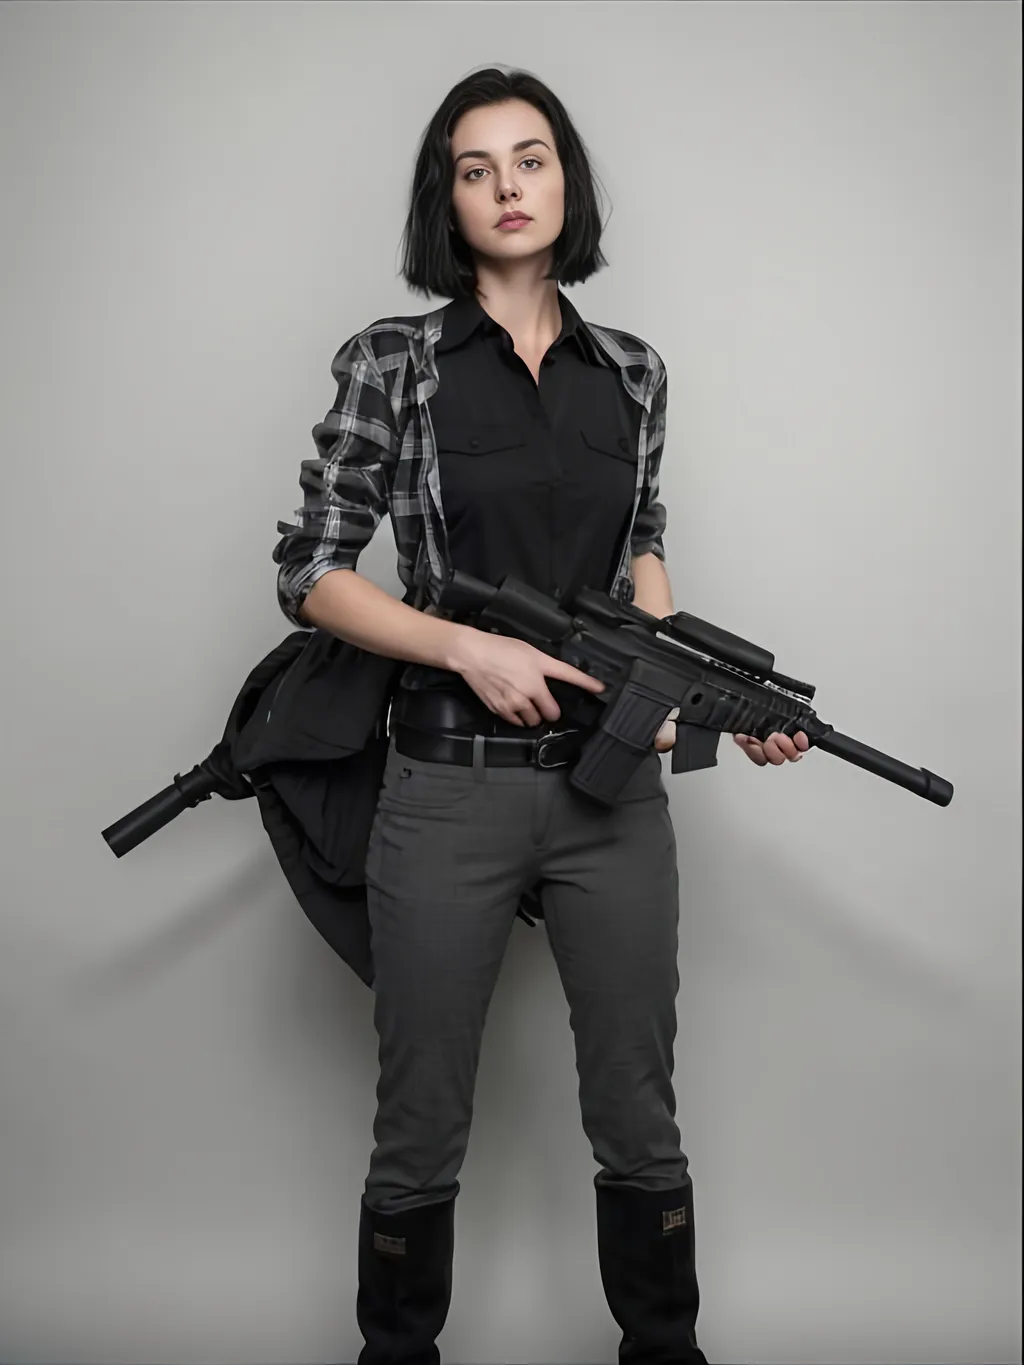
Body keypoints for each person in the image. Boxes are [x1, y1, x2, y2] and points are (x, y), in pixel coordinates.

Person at [273, 65, 807, 1365]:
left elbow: (645, 558)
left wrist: (704, 703)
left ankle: (662, 1349)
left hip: (609, 796)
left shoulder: (632, 371)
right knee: (422, 1119)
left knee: (638, 1110)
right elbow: (314, 574)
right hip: (445, 785)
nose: (508, 187)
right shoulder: (392, 364)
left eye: (531, 159)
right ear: (445, 200)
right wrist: (465, 645)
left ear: (568, 180)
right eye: (476, 167)